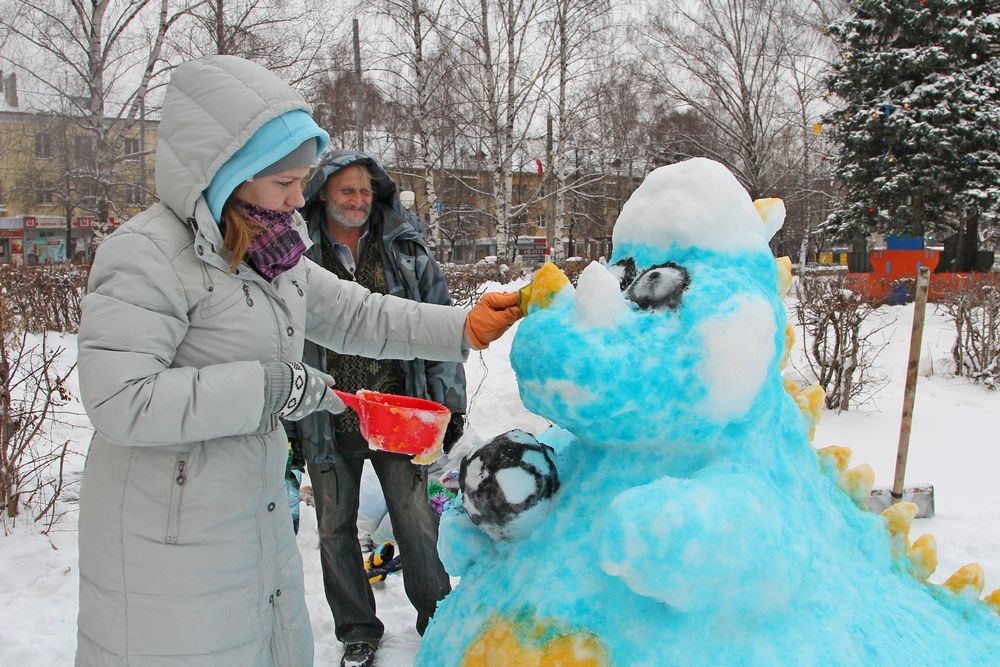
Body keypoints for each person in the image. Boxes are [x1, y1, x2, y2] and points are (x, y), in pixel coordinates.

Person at [73, 54, 522, 667]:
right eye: (285, 184)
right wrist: (274, 388)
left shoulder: (270, 252)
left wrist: (464, 326)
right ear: (228, 173)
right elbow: (120, 400)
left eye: (301, 182)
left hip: (246, 512)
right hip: (168, 531)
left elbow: (361, 315)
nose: (296, 200)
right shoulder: (146, 256)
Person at [286, 150, 466, 667]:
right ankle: (358, 630)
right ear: (323, 192)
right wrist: (289, 416)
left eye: (365, 190)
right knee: (334, 526)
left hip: (399, 410)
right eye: (347, 190)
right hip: (325, 411)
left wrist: (450, 404)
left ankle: (438, 620)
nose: (359, 200)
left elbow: (437, 320)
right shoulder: (295, 253)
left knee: (415, 519)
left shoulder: (404, 249)